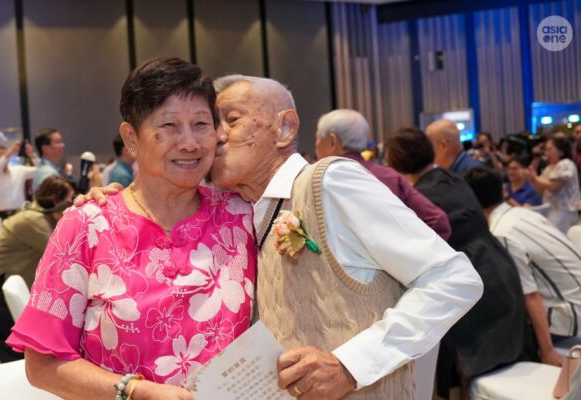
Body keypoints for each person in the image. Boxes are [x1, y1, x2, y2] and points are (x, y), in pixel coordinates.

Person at [209, 75, 481, 399]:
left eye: (232, 119)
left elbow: (453, 278)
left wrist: (349, 366)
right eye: (212, 124)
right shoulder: (244, 215)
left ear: (285, 128)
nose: (217, 136)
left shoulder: (329, 183)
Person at [8, 58, 257, 400]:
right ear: (131, 138)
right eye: (169, 125)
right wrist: (137, 392)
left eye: (201, 124)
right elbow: (43, 365)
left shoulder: (241, 214)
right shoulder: (88, 225)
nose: (190, 143)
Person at [385, 127, 531, 397]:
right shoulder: (452, 179)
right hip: (498, 268)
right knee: (499, 366)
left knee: (472, 369)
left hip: (473, 281)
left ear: (394, 162)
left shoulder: (422, 198)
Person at [465, 167, 581, 366]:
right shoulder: (523, 214)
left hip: (570, 317)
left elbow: (530, 295)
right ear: (502, 190)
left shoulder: (500, 232)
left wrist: (547, 352)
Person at [0, 176, 74, 363]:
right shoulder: (33, 220)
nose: (71, 204)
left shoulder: (40, 216)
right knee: (12, 350)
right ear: (55, 199)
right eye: (69, 200)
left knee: (14, 347)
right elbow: (64, 253)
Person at [314, 109, 452, 240]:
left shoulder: (317, 181)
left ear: (332, 141)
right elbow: (438, 221)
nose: (316, 145)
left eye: (317, 139)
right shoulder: (390, 177)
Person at [527, 136, 581, 233]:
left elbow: (554, 186)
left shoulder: (565, 164)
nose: (546, 153)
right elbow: (539, 189)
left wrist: (534, 178)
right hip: (551, 211)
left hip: (564, 212)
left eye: (550, 149)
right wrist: (532, 177)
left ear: (561, 151)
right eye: (546, 150)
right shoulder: (549, 168)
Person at [0, 141, 38, 218]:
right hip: (2, 215)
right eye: (3, 155)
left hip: (20, 213)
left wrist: (32, 155)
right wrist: (11, 150)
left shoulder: (18, 170)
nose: (6, 157)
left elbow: (40, 171)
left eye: (8, 155)